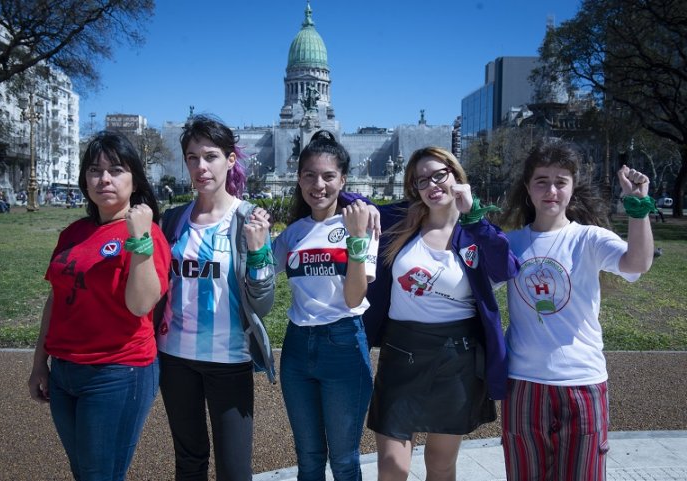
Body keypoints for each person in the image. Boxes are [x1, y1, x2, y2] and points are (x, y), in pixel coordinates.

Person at [499, 139, 655, 481]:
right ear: (528, 187)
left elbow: (637, 263)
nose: (551, 190)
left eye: (560, 181)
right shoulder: (511, 244)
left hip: (582, 382)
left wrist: (638, 207)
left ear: (572, 187)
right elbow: (471, 279)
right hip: (524, 383)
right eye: (541, 181)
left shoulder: (589, 239)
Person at [361, 147, 520, 481]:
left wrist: (475, 217)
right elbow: (344, 196)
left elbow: (506, 268)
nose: (431, 185)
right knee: (392, 468)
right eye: (421, 180)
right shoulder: (402, 220)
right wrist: (362, 207)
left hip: (456, 359)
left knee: (440, 463)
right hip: (402, 354)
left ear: (455, 175)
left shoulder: (475, 229)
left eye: (438, 175)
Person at [26, 131, 171, 481]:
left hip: (117, 372)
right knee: (85, 472)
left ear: (134, 179)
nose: (104, 178)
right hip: (64, 372)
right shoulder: (74, 233)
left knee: (99, 474)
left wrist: (138, 239)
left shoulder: (148, 235)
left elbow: (141, 305)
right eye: (95, 170)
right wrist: (38, 363)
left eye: (116, 169)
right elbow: (56, 299)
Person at [155, 114, 276, 481]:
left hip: (229, 357)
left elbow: (264, 302)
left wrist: (257, 253)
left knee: (234, 468)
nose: (201, 167)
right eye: (192, 158)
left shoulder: (248, 220)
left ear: (230, 159)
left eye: (210, 156)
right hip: (175, 357)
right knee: (189, 461)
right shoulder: (173, 219)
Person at [273, 130, 378, 481]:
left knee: (345, 460)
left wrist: (358, 239)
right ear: (298, 179)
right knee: (309, 459)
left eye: (328, 176)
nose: (318, 185)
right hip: (297, 345)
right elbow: (257, 277)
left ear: (343, 180)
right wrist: (255, 242)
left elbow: (353, 298)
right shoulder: (292, 233)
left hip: (344, 342)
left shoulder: (360, 225)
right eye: (309, 175)